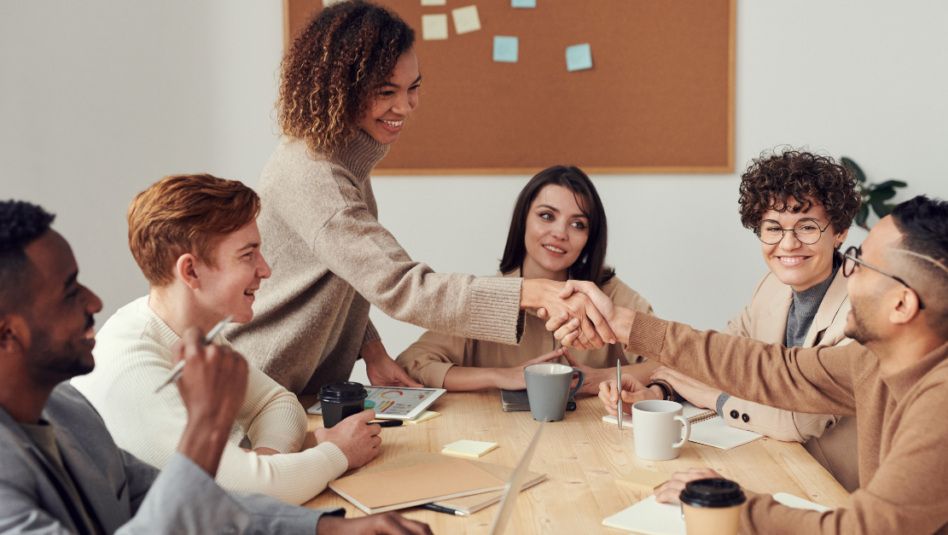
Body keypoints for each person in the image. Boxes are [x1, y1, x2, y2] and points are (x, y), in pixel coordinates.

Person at [552, 196, 948, 534]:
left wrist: (731, 504)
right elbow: (772, 369)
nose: (847, 269)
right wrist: (625, 323)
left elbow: (866, 529)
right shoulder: (880, 360)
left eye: (860, 261)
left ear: (902, 305)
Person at [223, 0, 615, 396]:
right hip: (258, 388)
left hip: (297, 389)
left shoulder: (340, 159)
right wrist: (528, 292)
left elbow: (346, 272)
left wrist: (371, 349)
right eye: (386, 91)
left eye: (413, 88)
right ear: (341, 89)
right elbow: (402, 286)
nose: (405, 106)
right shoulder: (317, 175)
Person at [0, 200, 432, 535]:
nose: (95, 302)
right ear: (7, 334)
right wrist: (207, 427)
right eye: (69, 291)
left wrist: (328, 527)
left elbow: (188, 500)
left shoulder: (67, 408)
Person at [71, 175, 383, 505]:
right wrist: (337, 453)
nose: (265, 270)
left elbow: (277, 403)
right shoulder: (134, 367)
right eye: (248, 255)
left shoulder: (192, 331)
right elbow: (239, 494)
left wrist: (264, 466)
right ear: (190, 272)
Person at [598, 150, 862, 491]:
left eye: (807, 227)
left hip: (835, 491)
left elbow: (798, 420)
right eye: (773, 228)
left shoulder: (860, 311)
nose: (788, 243)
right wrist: (660, 391)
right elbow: (719, 359)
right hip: (773, 466)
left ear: (839, 231)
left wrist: (716, 399)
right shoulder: (770, 288)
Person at [396, 166, 656, 393]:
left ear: (590, 238)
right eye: (547, 216)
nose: (560, 233)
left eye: (578, 224)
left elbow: (674, 363)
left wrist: (604, 377)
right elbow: (412, 364)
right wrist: (500, 376)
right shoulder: (485, 298)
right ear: (523, 221)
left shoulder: (611, 296)